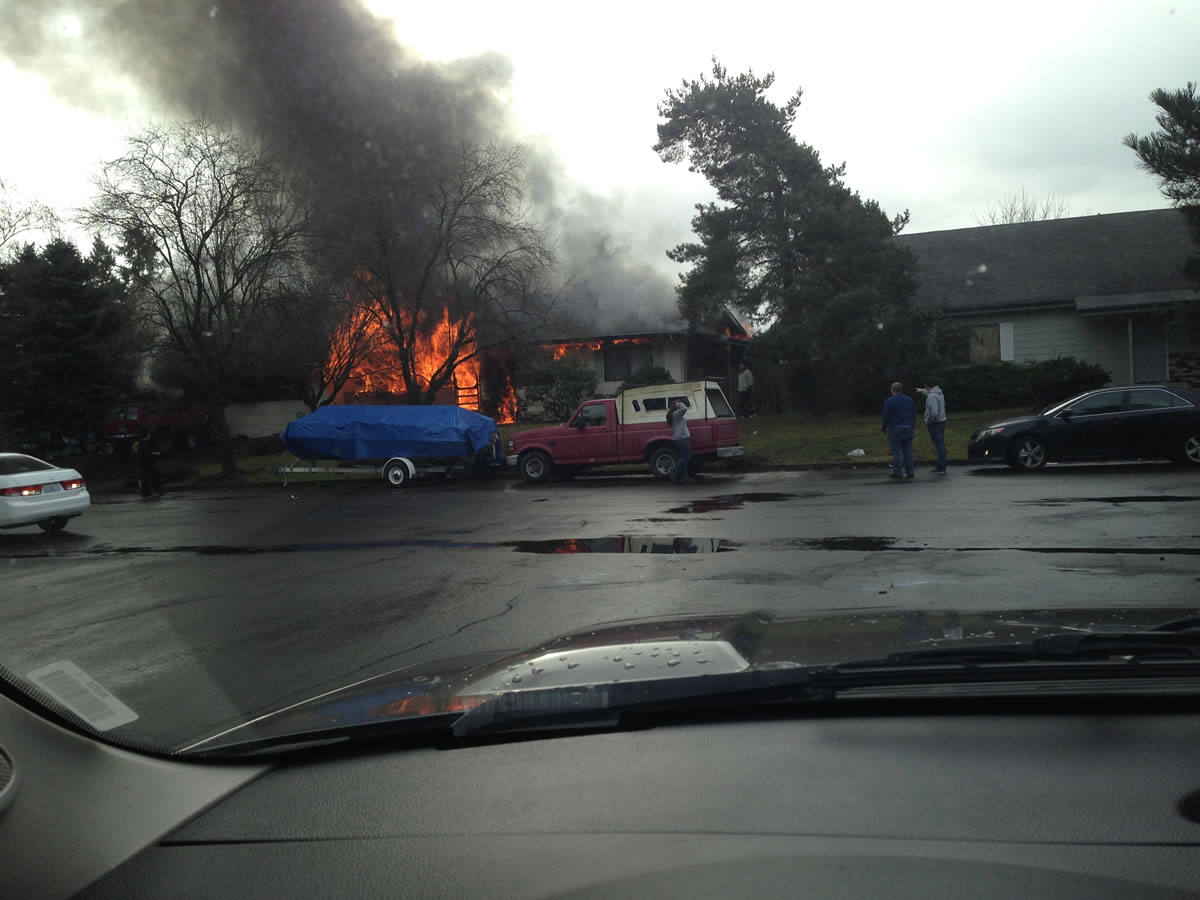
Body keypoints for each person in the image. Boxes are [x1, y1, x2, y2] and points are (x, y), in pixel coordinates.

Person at [881, 382, 915, 480]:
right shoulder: (909, 400)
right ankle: (910, 471)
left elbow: (886, 416)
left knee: (897, 450)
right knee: (908, 450)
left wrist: (884, 427)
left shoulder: (889, 401)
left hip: (895, 428)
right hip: (908, 427)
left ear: (892, 390)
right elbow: (913, 414)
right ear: (901, 389)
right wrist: (912, 425)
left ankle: (898, 472)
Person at [918, 379, 948, 475]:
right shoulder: (939, 393)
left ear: (927, 386)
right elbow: (930, 394)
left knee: (938, 445)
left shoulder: (932, 397)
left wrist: (928, 421)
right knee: (941, 444)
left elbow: (934, 413)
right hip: (942, 421)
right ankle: (943, 464)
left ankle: (941, 466)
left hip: (934, 424)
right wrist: (922, 391)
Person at [668, 399, 692, 484]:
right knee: (687, 457)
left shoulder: (675, 415)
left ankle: (684, 477)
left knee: (683, 457)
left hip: (680, 438)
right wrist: (678, 403)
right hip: (682, 438)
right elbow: (685, 409)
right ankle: (673, 471)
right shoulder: (676, 414)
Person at [136, 429, 163, 497]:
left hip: (142, 463)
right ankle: (156, 491)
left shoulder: (140, 443)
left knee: (144, 478)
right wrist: (156, 453)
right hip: (147, 463)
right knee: (153, 477)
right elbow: (148, 453)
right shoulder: (145, 443)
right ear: (148, 435)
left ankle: (145, 493)